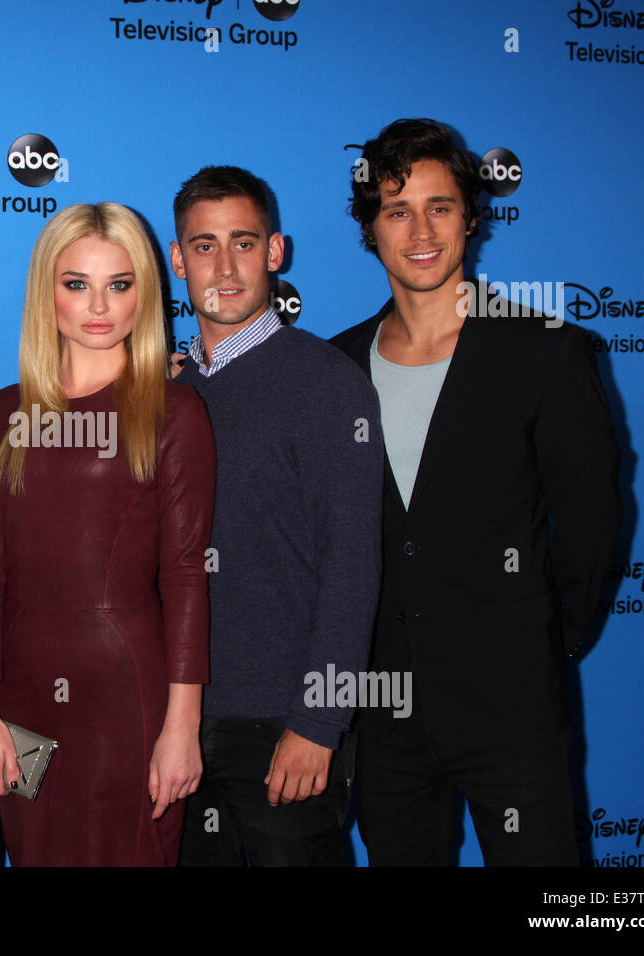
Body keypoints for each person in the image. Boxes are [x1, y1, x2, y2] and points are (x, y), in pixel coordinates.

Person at [331, 118, 620, 865]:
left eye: (440, 206)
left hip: (513, 709)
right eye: (396, 209)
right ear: (370, 226)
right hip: (383, 712)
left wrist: (544, 641)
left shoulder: (546, 351)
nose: (420, 230)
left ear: (471, 218)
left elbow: (593, 522)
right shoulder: (335, 368)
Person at [0, 202, 215, 866]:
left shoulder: (173, 411)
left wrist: (182, 726)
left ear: (145, 295)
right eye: (76, 283)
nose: (98, 304)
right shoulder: (3, 415)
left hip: (128, 698)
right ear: (47, 292)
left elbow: (187, 574)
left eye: (120, 284)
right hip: (21, 700)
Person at [171, 166, 384, 867]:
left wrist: (319, 724)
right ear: (178, 259)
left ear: (275, 252)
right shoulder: (166, 391)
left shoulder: (326, 384)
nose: (224, 266)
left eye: (243, 242)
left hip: (282, 728)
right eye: (204, 245)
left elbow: (353, 564)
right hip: (177, 722)